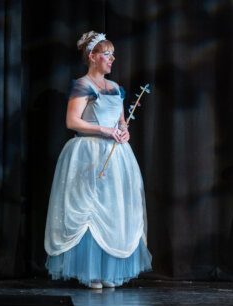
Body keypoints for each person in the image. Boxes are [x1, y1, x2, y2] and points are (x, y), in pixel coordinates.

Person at [44, 31, 152, 289]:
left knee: (113, 208)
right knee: (91, 207)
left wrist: (124, 131)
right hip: (89, 153)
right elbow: (73, 121)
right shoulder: (83, 85)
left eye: (113, 54)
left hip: (116, 155)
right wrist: (104, 130)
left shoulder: (115, 88)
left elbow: (121, 121)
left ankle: (109, 270)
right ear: (92, 57)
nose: (112, 59)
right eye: (107, 54)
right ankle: (91, 271)